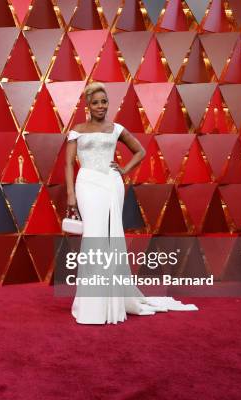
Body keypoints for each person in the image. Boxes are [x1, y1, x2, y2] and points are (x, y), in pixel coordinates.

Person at [64, 82, 197, 325]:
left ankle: (111, 302)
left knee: (112, 238)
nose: (101, 106)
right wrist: (71, 195)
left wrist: (124, 170)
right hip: (87, 183)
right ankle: (91, 305)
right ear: (88, 105)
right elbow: (68, 164)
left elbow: (140, 151)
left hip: (111, 183)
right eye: (95, 102)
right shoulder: (77, 130)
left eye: (104, 101)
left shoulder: (116, 129)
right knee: (93, 237)